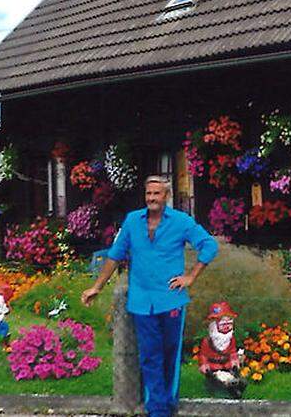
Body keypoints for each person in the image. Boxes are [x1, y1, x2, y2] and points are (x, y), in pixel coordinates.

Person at [82, 175, 218, 417]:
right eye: (149, 194)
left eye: (157, 194)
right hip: (142, 301)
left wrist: (191, 277)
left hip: (171, 299)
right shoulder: (133, 221)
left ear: (166, 196)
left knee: (170, 354)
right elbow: (115, 254)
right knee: (149, 354)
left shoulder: (181, 221)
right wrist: (97, 286)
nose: (152, 198)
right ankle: (157, 409)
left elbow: (209, 245)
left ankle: (168, 403)